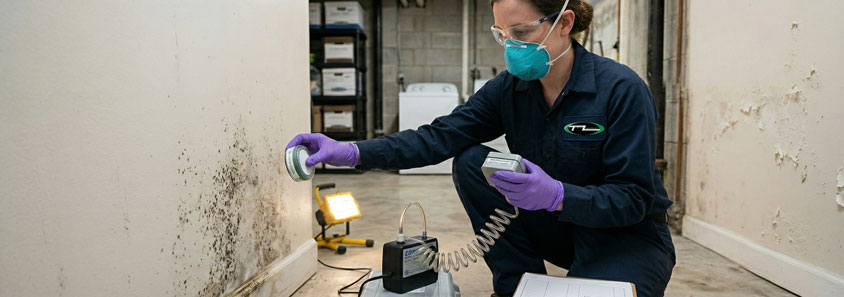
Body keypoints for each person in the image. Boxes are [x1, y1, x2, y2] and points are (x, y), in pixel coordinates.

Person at [286, 0, 675, 295]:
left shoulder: (620, 89)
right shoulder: (508, 89)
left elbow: (635, 197)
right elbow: (438, 136)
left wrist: (558, 195)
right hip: (560, 230)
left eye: (520, 33)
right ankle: (515, 283)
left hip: (626, 235)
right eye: (502, 35)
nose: (510, 47)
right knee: (473, 161)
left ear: (565, 23)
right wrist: (352, 152)